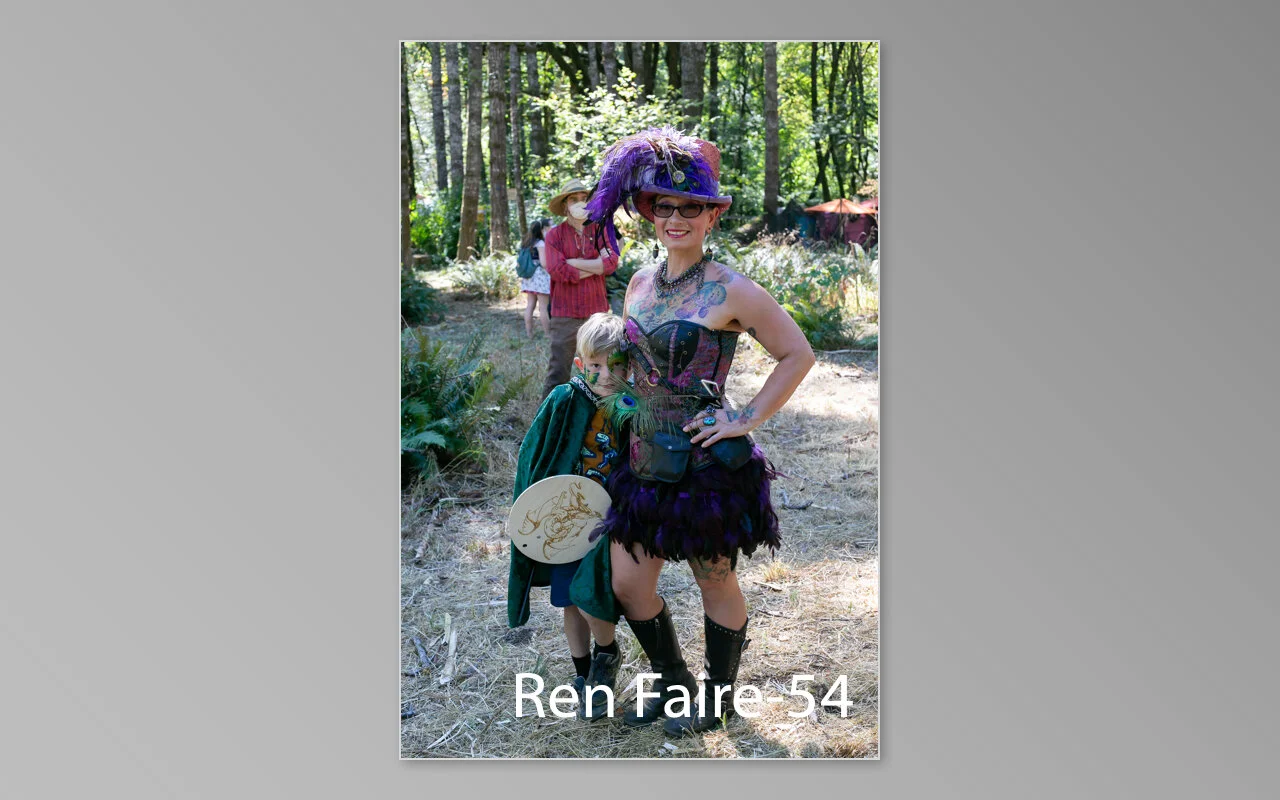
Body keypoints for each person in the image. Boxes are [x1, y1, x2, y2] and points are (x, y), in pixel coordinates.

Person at [584, 127, 816, 736]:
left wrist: (746, 417)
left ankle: (718, 697)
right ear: (650, 214)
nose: (677, 218)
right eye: (666, 206)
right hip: (641, 458)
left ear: (712, 216)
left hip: (705, 465)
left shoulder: (733, 289)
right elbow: (630, 365)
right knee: (628, 582)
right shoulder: (639, 282)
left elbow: (796, 354)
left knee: (714, 578)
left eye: (692, 208)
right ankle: (674, 682)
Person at [507, 312, 629, 720]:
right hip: (566, 523)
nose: (606, 375)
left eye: (616, 366)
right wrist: (531, 512)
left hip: (608, 523)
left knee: (590, 595)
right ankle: (582, 674)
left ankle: (606, 656)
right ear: (580, 364)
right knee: (569, 601)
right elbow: (534, 455)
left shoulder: (631, 408)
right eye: (596, 365)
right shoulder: (564, 399)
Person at [539, 179, 619, 400]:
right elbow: (557, 270)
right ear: (565, 206)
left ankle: (600, 414)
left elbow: (611, 264)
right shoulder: (555, 235)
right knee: (559, 370)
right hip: (565, 312)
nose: (580, 203)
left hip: (597, 311)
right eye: (574, 199)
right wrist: (596, 266)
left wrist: (573, 262)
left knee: (600, 369)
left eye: (584, 198)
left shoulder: (600, 230)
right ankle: (550, 414)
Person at [517, 218, 554, 339]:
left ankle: (529, 334)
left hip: (528, 277)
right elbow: (543, 263)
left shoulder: (526, 243)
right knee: (543, 307)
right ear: (541, 230)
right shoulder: (540, 243)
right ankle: (547, 334)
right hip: (540, 278)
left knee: (530, 306)